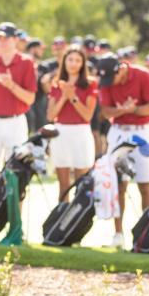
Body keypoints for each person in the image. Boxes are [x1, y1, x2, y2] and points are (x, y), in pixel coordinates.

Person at [97, 52, 149, 248]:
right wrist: (124, 110)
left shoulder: (142, 75)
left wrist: (133, 110)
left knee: (144, 184)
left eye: (111, 78)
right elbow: (106, 112)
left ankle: (148, 233)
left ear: (120, 69)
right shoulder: (107, 82)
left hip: (142, 132)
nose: (109, 83)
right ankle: (118, 234)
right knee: (118, 185)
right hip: (118, 131)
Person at [0, 22, 37, 189]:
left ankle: (16, 215)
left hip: (15, 122)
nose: (2, 41)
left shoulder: (26, 62)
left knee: (17, 171)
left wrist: (11, 85)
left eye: (6, 38)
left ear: (16, 39)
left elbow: (30, 98)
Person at [46, 45, 98, 202]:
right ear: (64, 61)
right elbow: (51, 115)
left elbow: (87, 115)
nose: (73, 63)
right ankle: (62, 217)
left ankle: (78, 217)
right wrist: (64, 96)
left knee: (81, 182)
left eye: (77, 60)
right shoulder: (56, 83)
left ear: (83, 63)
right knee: (63, 184)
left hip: (81, 133)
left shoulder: (90, 83)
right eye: (70, 59)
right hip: (61, 133)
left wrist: (73, 96)